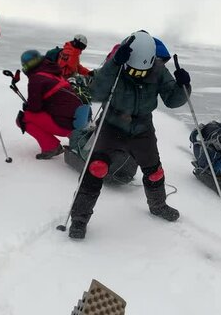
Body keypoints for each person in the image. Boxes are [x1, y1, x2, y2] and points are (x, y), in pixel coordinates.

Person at [68, 30, 191, 239]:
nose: (137, 75)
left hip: (142, 129)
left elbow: (173, 100)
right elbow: (96, 92)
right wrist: (113, 65)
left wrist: (183, 86)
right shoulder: (115, 66)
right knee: (96, 169)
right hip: (112, 125)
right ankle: (79, 219)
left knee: (155, 172)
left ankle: (158, 205)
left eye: (142, 72)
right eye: (133, 71)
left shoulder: (159, 70)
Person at [16, 50, 83, 159]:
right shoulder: (53, 72)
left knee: (22, 119)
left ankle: (51, 147)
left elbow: (34, 108)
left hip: (64, 124)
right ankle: (72, 139)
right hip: (76, 121)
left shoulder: (36, 79)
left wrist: (28, 106)